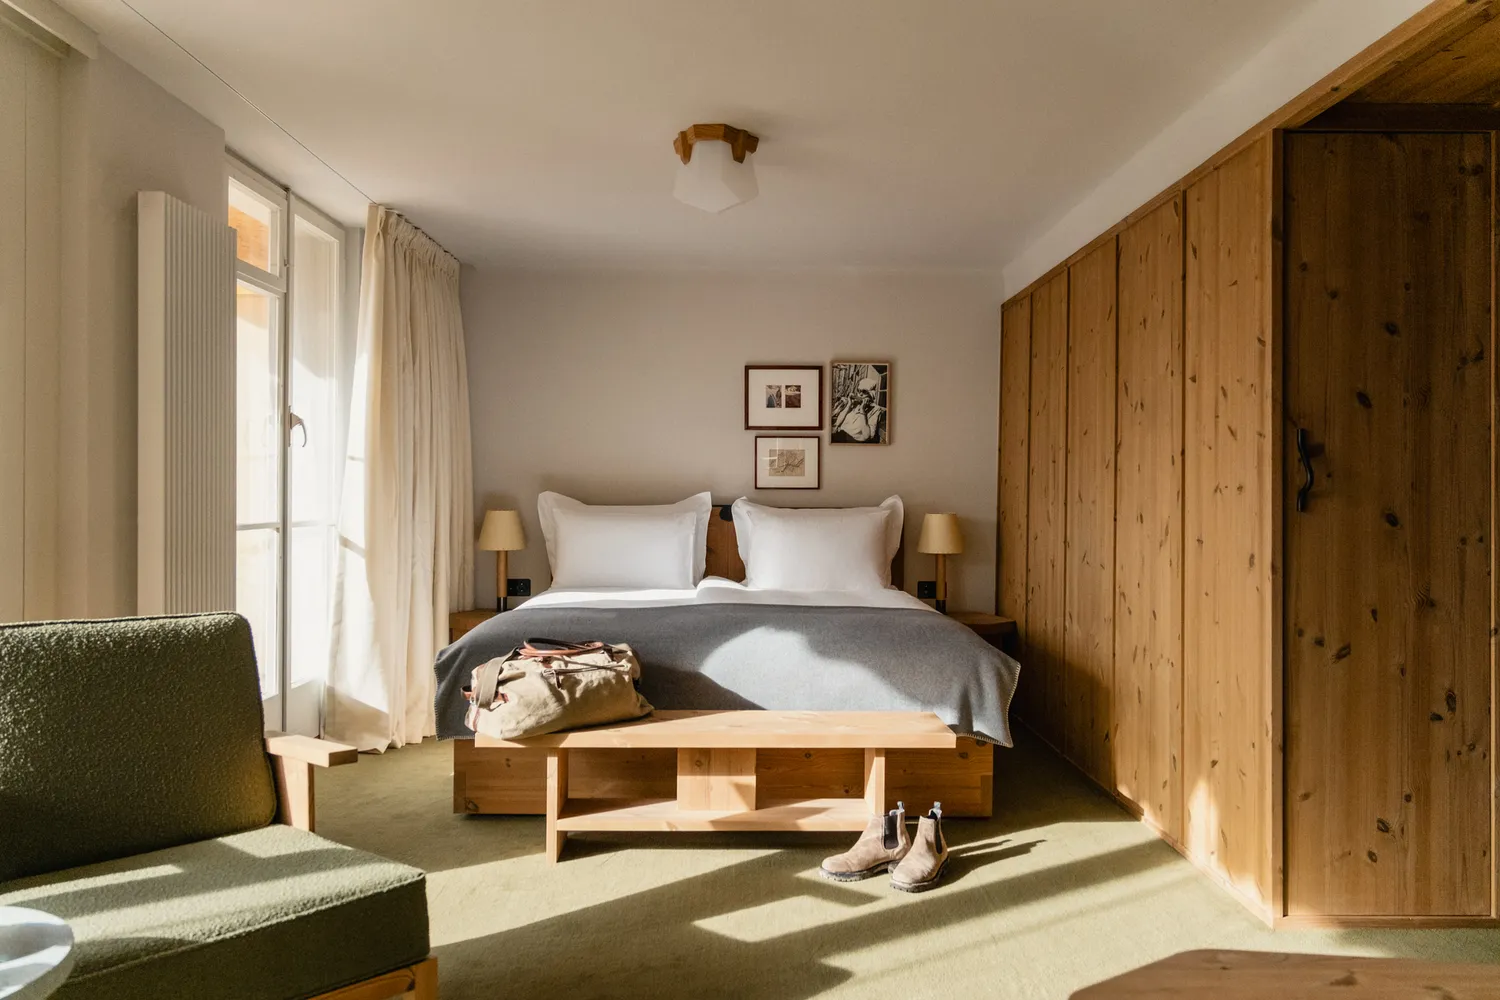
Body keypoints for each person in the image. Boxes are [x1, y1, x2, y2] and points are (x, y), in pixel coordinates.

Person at [833, 375, 885, 443]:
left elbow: (867, 436)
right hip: (840, 435)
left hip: (851, 441)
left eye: (864, 391)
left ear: (871, 394)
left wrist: (862, 411)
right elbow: (838, 423)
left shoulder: (875, 410)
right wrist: (849, 404)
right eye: (858, 390)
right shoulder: (855, 404)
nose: (860, 394)